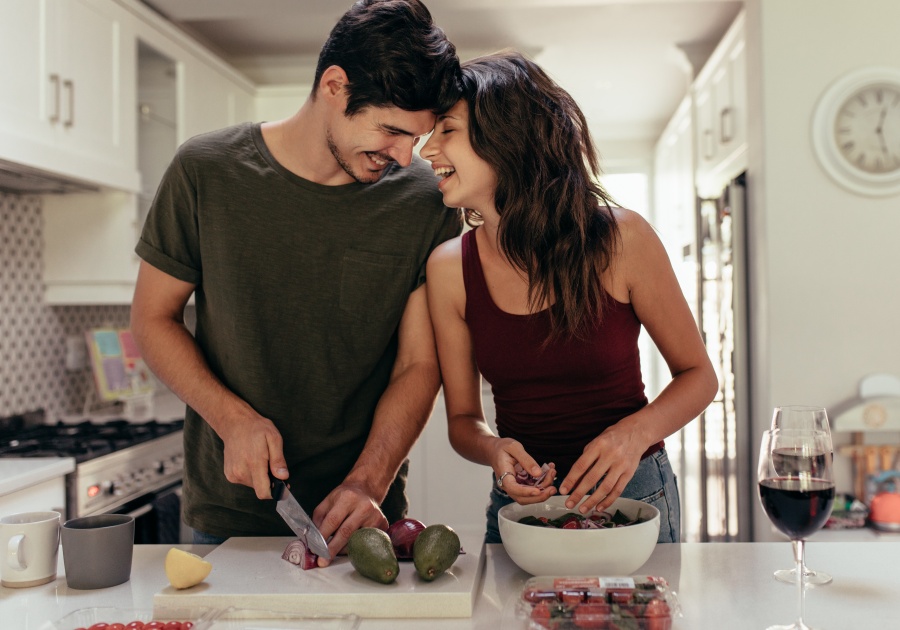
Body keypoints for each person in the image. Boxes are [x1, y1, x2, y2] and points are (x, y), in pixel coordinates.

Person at [129, 0, 462, 563]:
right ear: (334, 86)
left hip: (363, 516)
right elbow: (152, 319)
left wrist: (370, 481)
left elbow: (417, 363)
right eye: (391, 131)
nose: (407, 157)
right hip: (228, 517)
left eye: (418, 137)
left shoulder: (423, 202)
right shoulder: (205, 171)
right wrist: (231, 419)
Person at [421, 51, 718, 544]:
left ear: (505, 137)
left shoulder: (622, 240)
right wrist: (494, 451)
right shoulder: (448, 268)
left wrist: (634, 435)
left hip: (636, 497)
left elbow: (699, 377)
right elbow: (462, 420)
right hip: (520, 510)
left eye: (446, 130)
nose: (427, 149)